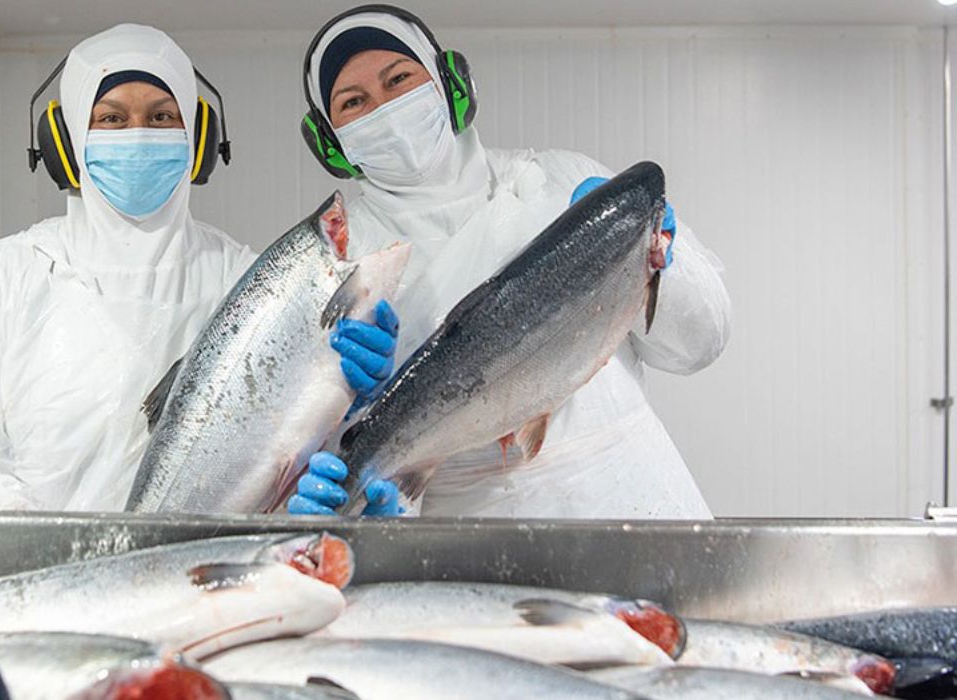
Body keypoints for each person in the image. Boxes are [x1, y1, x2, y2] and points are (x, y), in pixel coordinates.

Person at [0, 24, 398, 511]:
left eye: (162, 117)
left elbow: (285, 465)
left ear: (198, 139)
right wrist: (60, 553)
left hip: (210, 563)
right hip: (39, 564)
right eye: (111, 118)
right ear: (65, 142)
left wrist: (346, 405)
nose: (137, 134)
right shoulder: (0, 279)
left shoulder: (250, 286)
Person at [288, 5, 731, 519]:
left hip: (635, 498)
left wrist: (658, 263)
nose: (384, 108)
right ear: (330, 141)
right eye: (353, 102)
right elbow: (320, 451)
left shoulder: (562, 181)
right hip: (468, 535)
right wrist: (357, 455)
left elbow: (701, 343)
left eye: (400, 79)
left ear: (450, 85)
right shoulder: (339, 266)